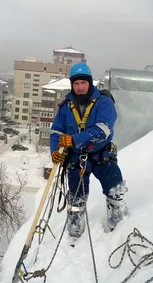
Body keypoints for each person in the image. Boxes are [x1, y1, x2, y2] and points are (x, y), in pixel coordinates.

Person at [50, 63, 128, 240]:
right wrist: (55, 151)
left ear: (90, 83)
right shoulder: (66, 107)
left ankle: (120, 230)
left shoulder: (104, 102)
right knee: (76, 200)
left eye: (83, 83)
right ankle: (75, 234)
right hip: (76, 158)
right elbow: (56, 132)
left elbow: (103, 130)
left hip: (102, 154)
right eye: (75, 84)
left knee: (115, 192)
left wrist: (75, 139)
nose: (79, 88)